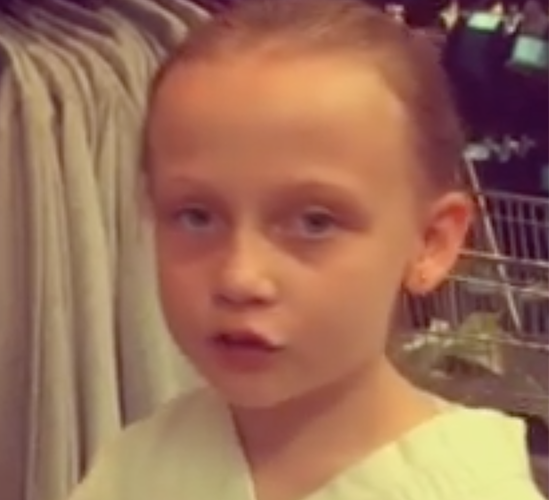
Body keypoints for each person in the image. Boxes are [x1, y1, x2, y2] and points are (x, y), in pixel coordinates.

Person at [68, 0, 547, 499]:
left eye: (315, 222)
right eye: (197, 216)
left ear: (430, 242)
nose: (240, 277)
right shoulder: (135, 467)